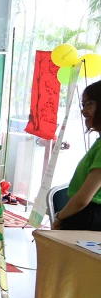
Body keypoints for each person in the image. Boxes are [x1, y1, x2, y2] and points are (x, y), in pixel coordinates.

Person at [55, 81, 101, 230]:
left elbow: (83, 199)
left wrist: (59, 217)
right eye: (83, 105)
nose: (84, 111)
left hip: (89, 218)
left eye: (89, 104)